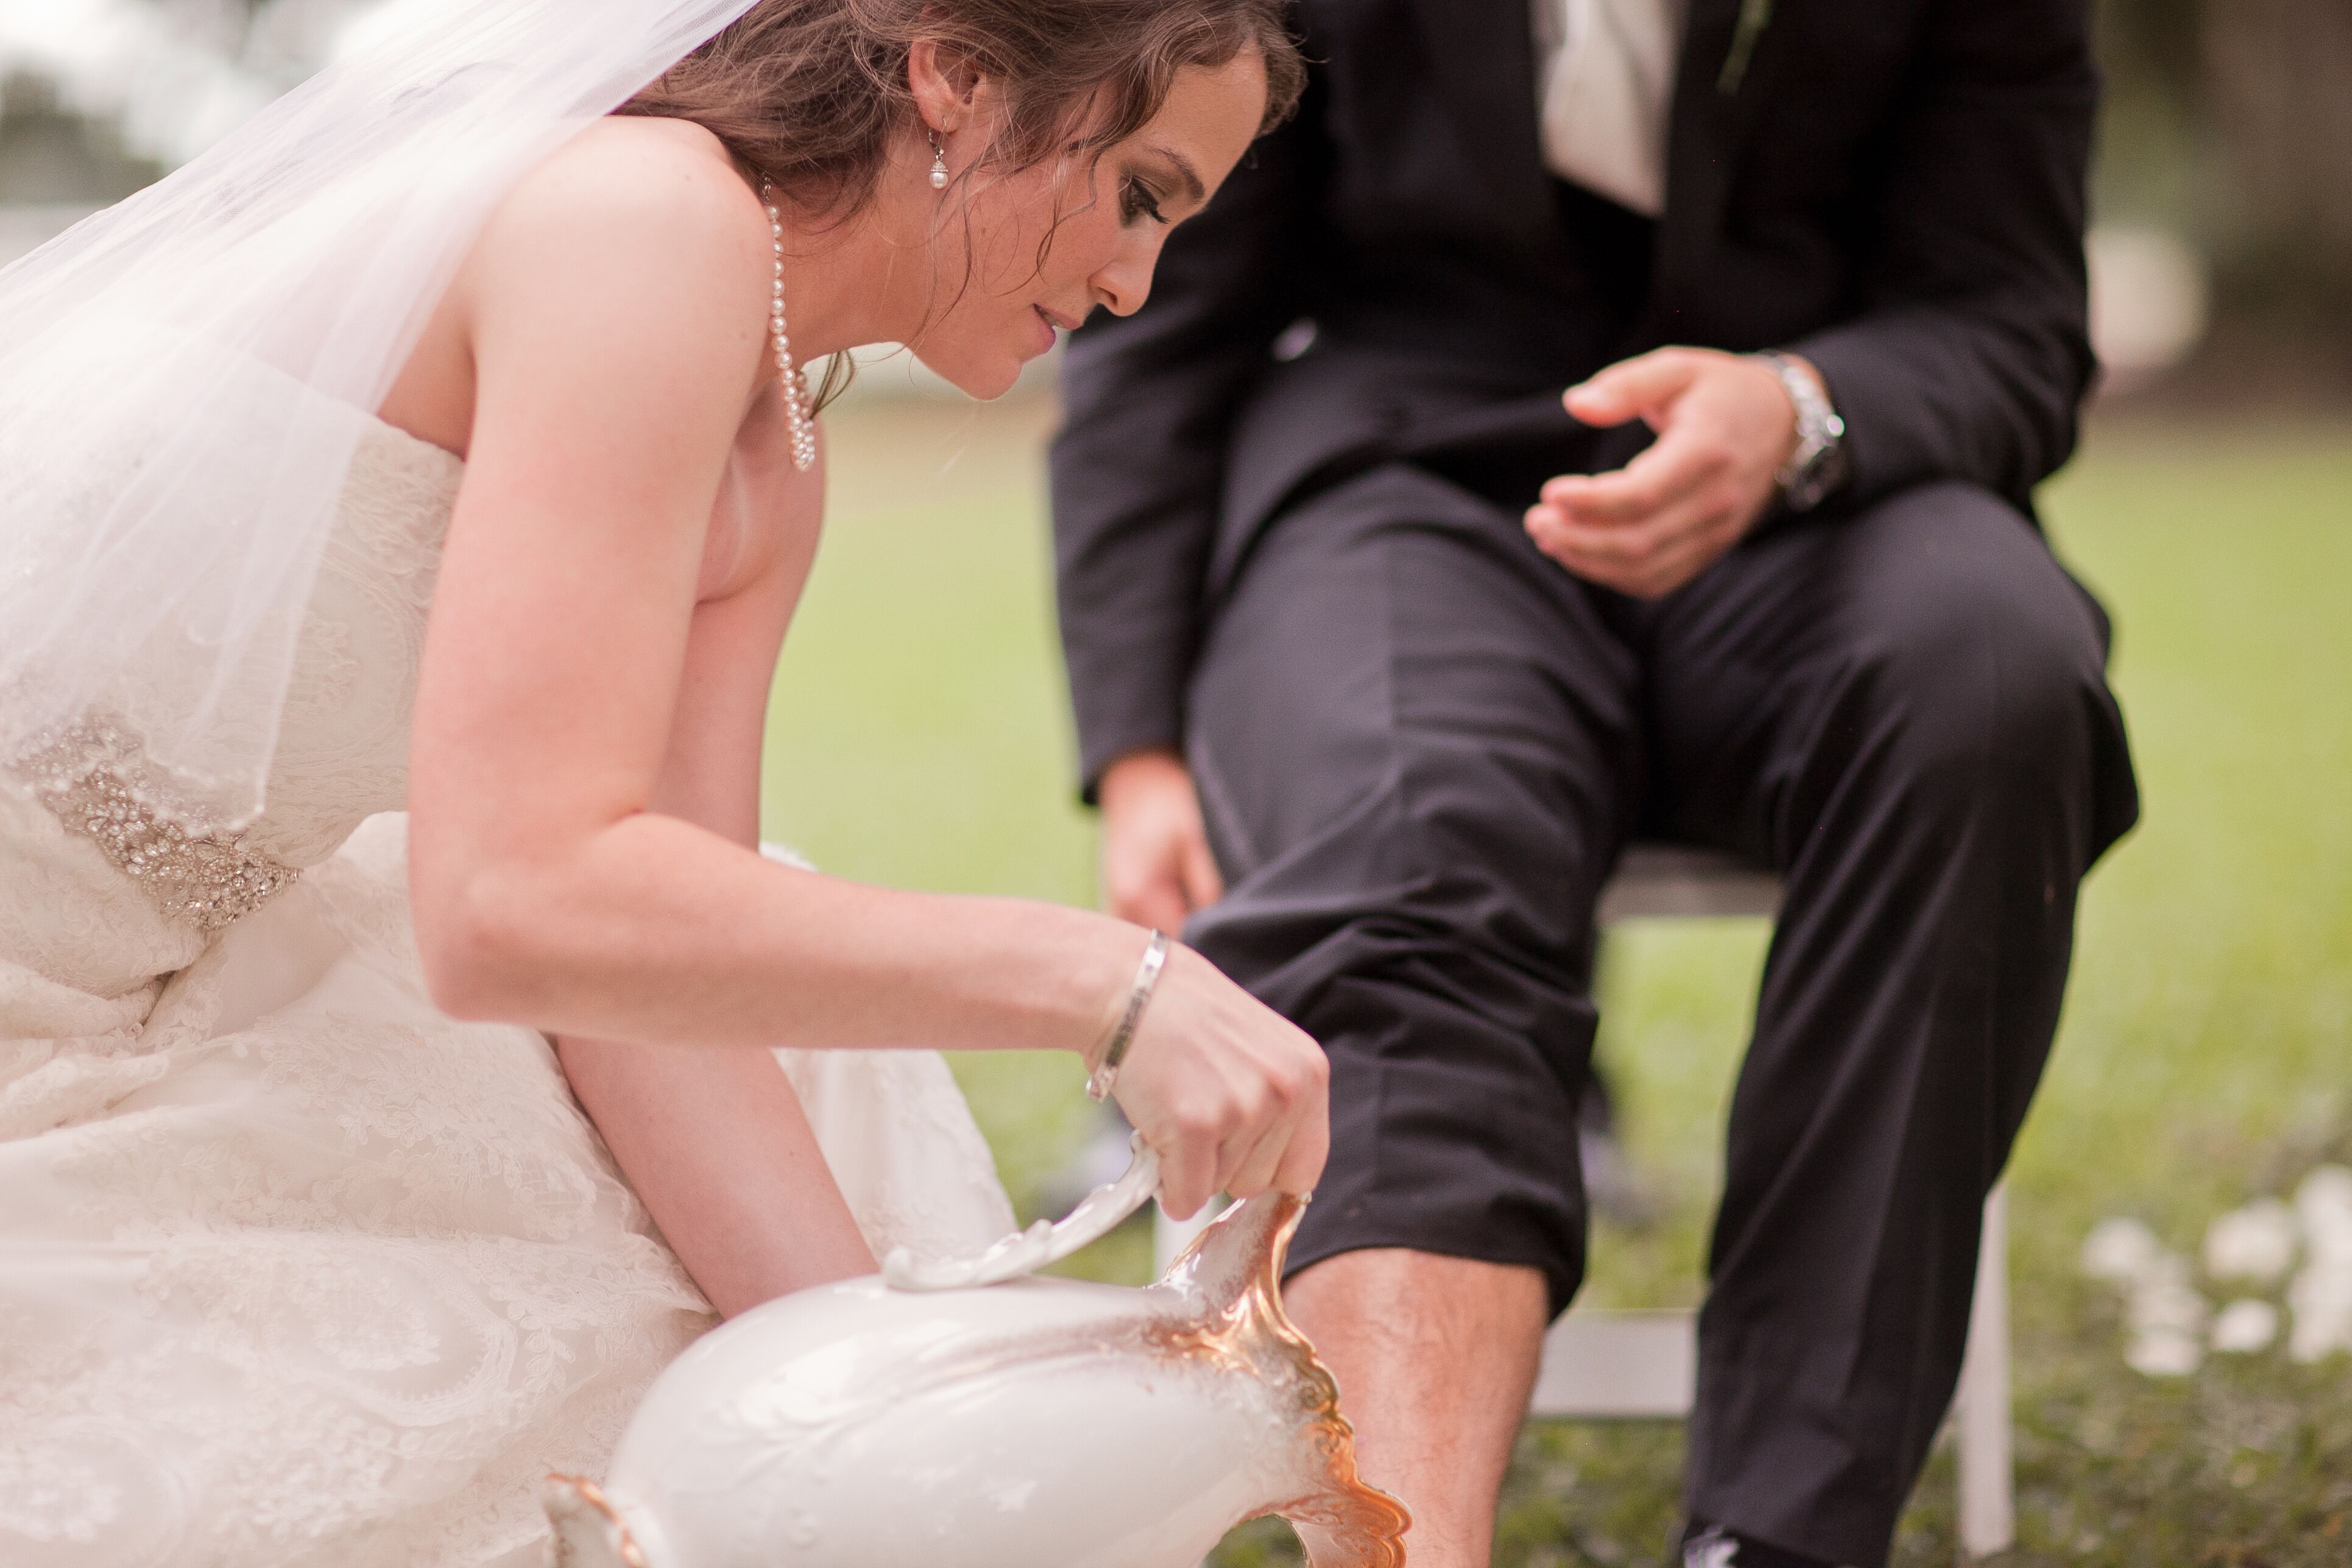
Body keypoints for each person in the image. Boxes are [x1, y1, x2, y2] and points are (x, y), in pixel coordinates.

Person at [0, 2, 1324, 1563]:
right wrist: (1113, 981)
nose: (1131, 282)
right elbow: (516, 903)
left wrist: (885, 1425)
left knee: (781, 1100)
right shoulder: (640, 217)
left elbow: (640, 1003)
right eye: (1143, 191)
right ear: (956, 77)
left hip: (128, 990)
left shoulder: (774, 450)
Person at [1050, 1, 2141, 1564]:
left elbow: (2012, 323)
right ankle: (1408, 1544)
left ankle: (1771, 1537)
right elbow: (1169, 294)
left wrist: (1798, 408)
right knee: (1405, 813)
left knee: (1987, 673)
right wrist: (1137, 744)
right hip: (1406, 472)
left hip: (1820, 506)